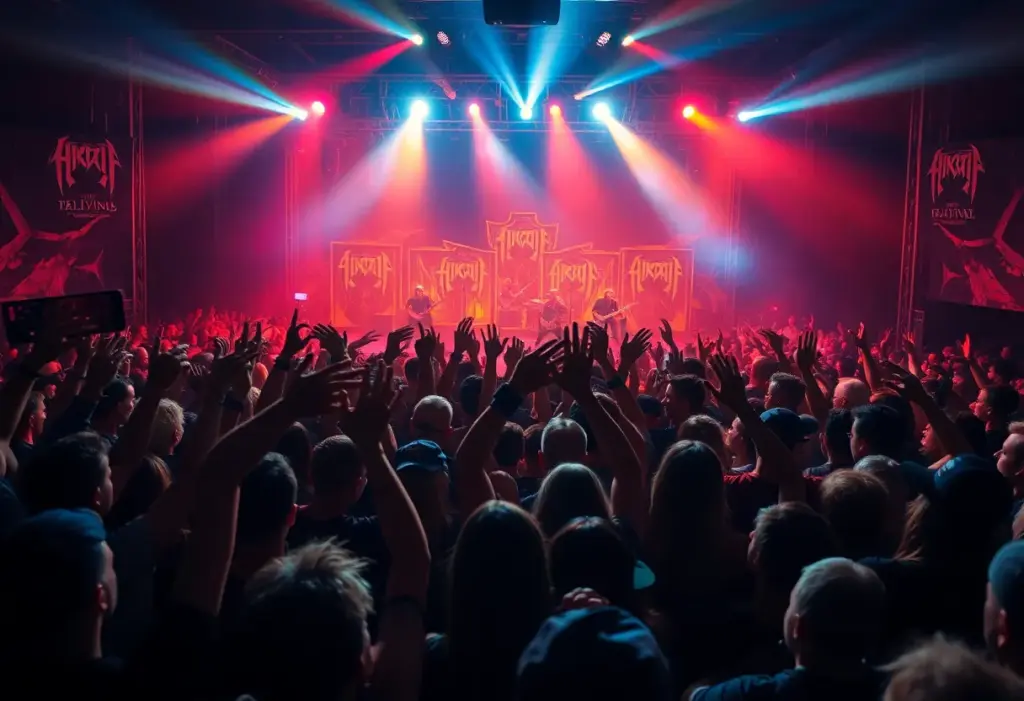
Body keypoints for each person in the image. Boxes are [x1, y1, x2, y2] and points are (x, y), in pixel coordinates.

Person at [690, 558, 887, 701]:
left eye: (790, 604)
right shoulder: (895, 690)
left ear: (799, 628)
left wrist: (709, 682)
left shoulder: (752, 693)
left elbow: (694, 697)